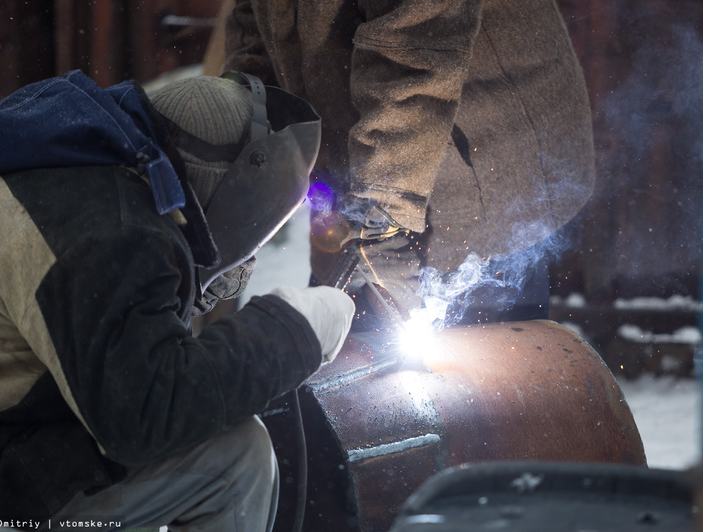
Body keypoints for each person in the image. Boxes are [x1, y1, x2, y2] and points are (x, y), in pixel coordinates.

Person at [0, 70, 355, 531]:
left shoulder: (75, 168)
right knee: (236, 457)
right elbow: (147, 415)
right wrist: (291, 331)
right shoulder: (113, 235)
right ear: (220, 184)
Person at [223, 0, 596, 324]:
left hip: (473, 159)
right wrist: (247, 158)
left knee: (478, 389)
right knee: (336, 369)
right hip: (351, 163)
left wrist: (381, 219)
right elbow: (253, 26)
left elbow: (414, 52)